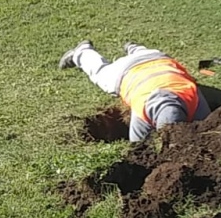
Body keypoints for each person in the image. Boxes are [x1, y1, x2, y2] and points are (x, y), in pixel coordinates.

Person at [58, 40, 211, 142]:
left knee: (143, 58)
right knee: (101, 74)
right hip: (129, 70)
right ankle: (82, 52)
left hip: (157, 58)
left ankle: (135, 49)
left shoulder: (195, 102)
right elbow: (138, 147)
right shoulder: (142, 110)